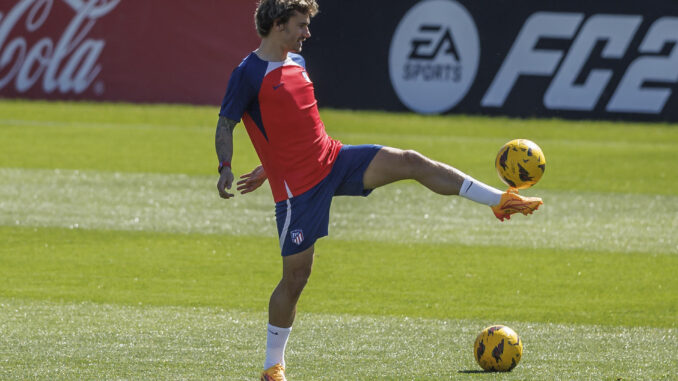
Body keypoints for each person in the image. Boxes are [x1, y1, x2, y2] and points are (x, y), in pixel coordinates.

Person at [215, 1, 543, 379]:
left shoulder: (297, 63)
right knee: (296, 278)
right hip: (298, 193)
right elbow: (226, 124)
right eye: (301, 25)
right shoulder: (248, 73)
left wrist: (267, 166)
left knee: (411, 161)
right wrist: (227, 167)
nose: (308, 32)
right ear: (278, 25)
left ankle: (499, 201)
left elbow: (294, 128)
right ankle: (273, 365)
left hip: (333, 159)